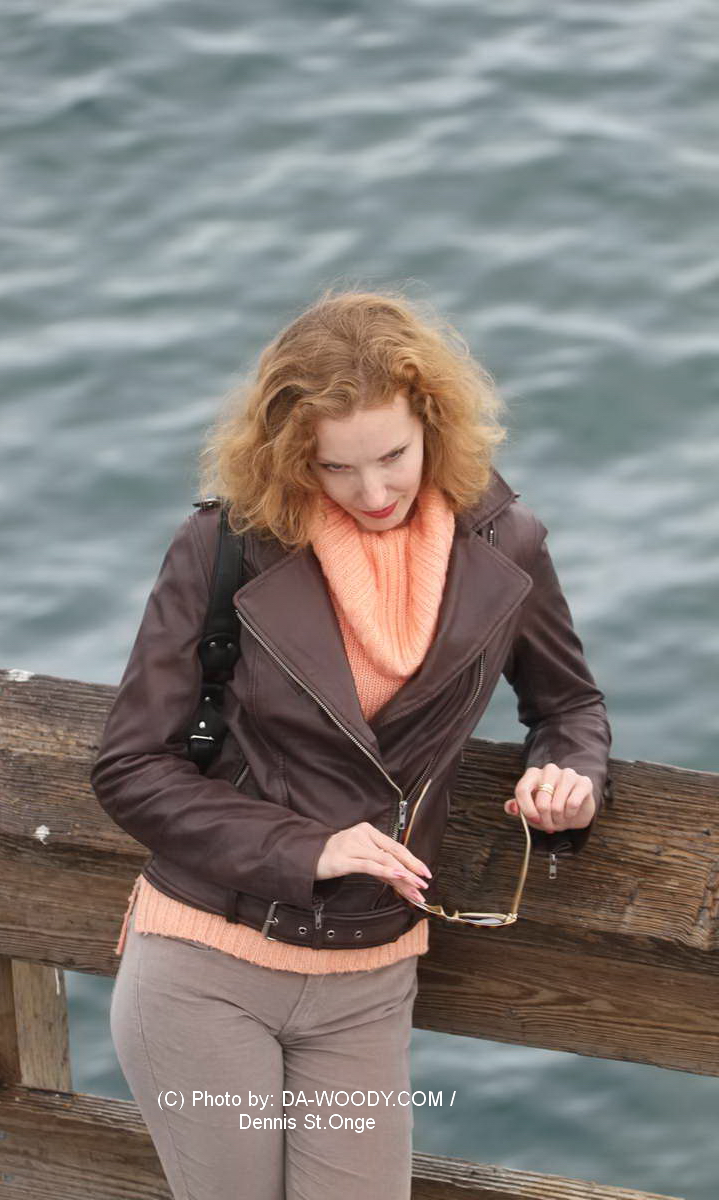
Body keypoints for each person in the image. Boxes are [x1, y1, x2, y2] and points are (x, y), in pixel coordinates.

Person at [91, 288, 611, 1200]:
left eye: (394, 457)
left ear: (433, 425)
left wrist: (566, 773)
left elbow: (568, 704)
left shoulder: (509, 545)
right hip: (206, 963)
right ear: (294, 454)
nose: (372, 493)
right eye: (337, 468)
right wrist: (307, 848)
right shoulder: (222, 546)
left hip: (369, 978)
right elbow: (130, 767)